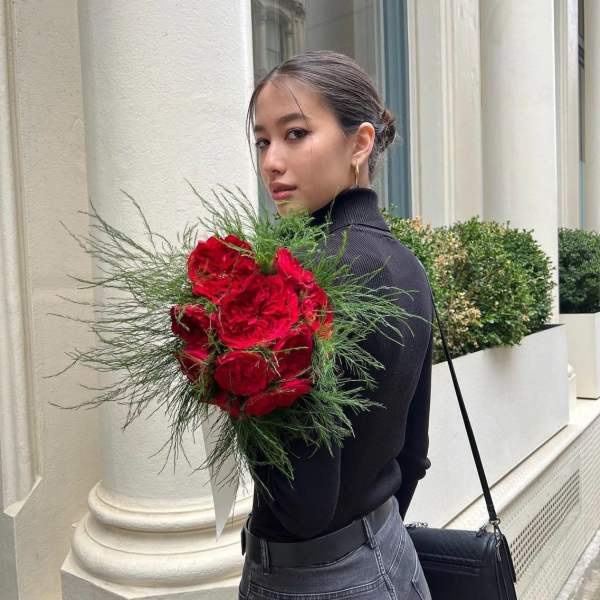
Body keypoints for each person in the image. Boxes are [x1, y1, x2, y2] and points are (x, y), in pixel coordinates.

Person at [238, 50, 433, 600]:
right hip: (390, 553)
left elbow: (303, 505)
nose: (272, 162)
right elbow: (413, 452)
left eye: (295, 134)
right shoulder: (405, 263)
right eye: (262, 141)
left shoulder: (313, 279)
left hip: (311, 577)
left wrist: (236, 381)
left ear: (360, 142)